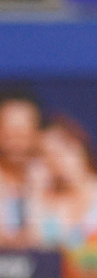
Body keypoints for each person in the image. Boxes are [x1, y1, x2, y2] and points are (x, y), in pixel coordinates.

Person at [23, 115, 97, 249]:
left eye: (63, 149)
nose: (58, 160)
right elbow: (33, 251)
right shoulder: (42, 200)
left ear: (80, 146)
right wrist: (35, 193)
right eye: (47, 155)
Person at [0, 91, 45, 248]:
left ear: (37, 133)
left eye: (22, 131)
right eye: (9, 131)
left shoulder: (52, 180)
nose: (16, 140)